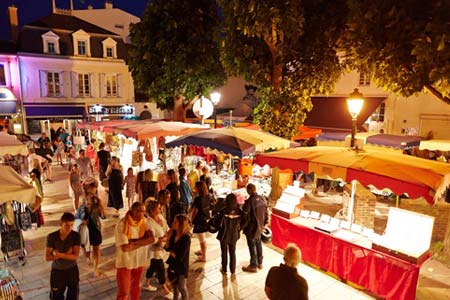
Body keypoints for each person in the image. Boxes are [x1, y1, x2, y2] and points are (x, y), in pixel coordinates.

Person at [115, 202, 154, 300]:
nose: (143, 214)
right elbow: (125, 248)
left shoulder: (144, 221)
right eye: (141, 212)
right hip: (125, 262)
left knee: (136, 286)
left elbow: (151, 239)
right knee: (124, 290)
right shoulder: (122, 224)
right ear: (134, 211)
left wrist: (134, 242)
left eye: (144, 212)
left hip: (139, 260)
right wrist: (143, 241)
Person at [45, 212, 81, 300]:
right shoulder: (52, 237)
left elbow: (75, 256)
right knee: (56, 297)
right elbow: (47, 257)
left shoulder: (75, 236)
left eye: (72, 225)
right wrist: (68, 253)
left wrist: (58, 254)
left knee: (73, 296)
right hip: (57, 272)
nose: (69, 228)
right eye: (67, 225)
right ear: (61, 224)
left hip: (72, 270)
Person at [143, 201, 170, 293]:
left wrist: (167, 236)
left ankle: (146, 283)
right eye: (158, 208)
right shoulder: (148, 223)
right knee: (160, 268)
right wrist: (160, 239)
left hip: (162, 247)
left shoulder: (161, 217)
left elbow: (166, 228)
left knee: (153, 266)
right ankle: (165, 289)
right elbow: (149, 238)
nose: (161, 209)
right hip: (154, 249)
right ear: (152, 210)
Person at [241, 183, 268, 273]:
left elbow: (246, 216)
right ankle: (260, 262)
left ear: (248, 191)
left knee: (252, 246)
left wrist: (241, 227)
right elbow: (266, 212)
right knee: (258, 243)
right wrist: (264, 224)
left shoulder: (249, 201)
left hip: (251, 228)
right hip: (260, 227)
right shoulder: (262, 198)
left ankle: (253, 265)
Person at [164, 214, 191, 300]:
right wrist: (168, 238)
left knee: (182, 288)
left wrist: (172, 251)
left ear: (181, 224)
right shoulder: (173, 233)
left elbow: (180, 256)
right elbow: (167, 248)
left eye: (175, 222)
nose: (172, 223)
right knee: (175, 287)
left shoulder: (186, 238)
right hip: (172, 264)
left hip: (182, 267)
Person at [216, 193, 243, 275]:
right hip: (234, 235)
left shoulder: (223, 211)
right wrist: (239, 228)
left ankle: (224, 269)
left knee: (224, 252)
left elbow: (218, 223)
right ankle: (233, 270)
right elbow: (243, 221)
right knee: (232, 252)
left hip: (224, 235)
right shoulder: (239, 211)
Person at [190, 181, 210, 262]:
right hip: (205, 218)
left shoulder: (198, 199)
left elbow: (195, 211)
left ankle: (204, 256)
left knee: (201, 238)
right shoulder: (207, 196)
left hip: (199, 220)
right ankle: (202, 251)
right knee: (202, 237)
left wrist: (191, 220)